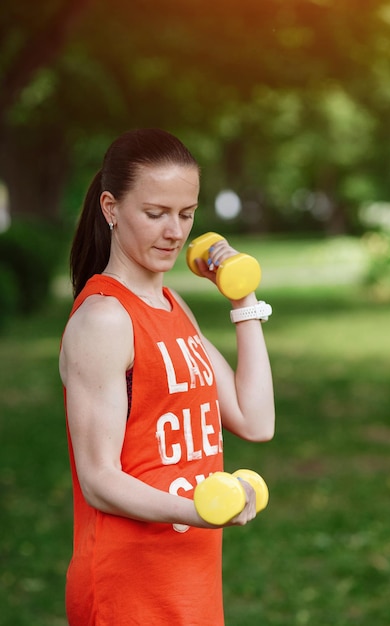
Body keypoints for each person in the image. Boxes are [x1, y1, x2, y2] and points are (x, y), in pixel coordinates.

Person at [59, 128, 275, 625]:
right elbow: (98, 480)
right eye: (155, 214)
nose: (175, 232)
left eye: (187, 213)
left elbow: (256, 420)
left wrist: (243, 300)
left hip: (190, 577)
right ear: (111, 209)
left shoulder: (174, 307)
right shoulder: (105, 319)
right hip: (127, 588)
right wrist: (199, 510)